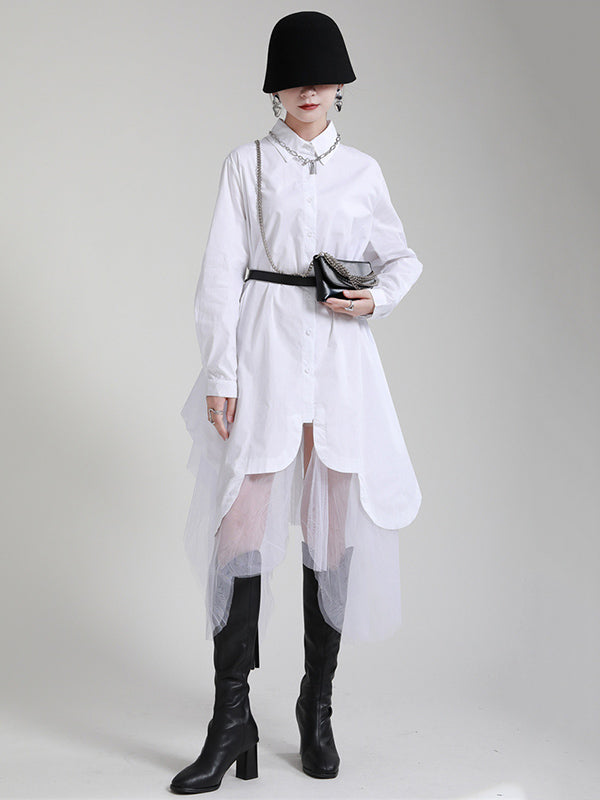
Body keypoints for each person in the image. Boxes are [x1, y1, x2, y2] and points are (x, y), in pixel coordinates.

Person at [170, 10, 424, 795]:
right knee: (239, 527)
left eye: (322, 76)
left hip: (341, 363)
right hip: (266, 353)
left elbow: (402, 257)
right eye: (294, 78)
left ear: (340, 85)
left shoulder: (364, 172)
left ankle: (318, 706)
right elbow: (220, 273)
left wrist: (375, 298)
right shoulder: (247, 164)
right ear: (275, 89)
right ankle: (231, 719)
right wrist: (221, 374)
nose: (309, 89)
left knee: (332, 534)